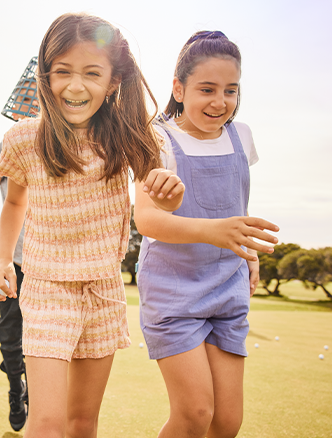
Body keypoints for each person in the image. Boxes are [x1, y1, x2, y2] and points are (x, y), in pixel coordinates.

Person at [0, 13, 183, 438]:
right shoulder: (23, 138)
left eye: (92, 73)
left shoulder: (129, 136)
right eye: (63, 72)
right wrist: (3, 260)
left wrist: (171, 192)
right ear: (45, 76)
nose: (75, 86)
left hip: (103, 290)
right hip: (46, 288)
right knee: (48, 423)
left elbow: (159, 203)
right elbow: (15, 201)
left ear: (113, 81)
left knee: (81, 423)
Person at [134, 31, 279, 438]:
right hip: (173, 289)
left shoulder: (242, 136)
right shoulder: (156, 139)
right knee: (195, 414)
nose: (220, 102)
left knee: (226, 423)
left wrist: (247, 251)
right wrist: (218, 231)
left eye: (231, 90)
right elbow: (147, 221)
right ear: (178, 89)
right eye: (207, 89)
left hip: (228, 286)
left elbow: (236, 205)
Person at [0, 57, 39, 432]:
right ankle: (16, 385)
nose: (30, 107)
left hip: (50, 261)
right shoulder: (6, 145)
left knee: (42, 336)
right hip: (11, 257)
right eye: (26, 100)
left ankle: (37, 391)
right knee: (10, 335)